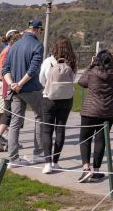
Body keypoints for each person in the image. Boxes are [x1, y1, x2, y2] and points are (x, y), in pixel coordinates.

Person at [76, 49, 113, 182]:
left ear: (97, 60)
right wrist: (110, 98)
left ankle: (86, 169)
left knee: (85, 138)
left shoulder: (92, 72)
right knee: (101, 139)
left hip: (90, 110)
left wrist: (90, 65)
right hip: (109, 111)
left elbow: (81, 82)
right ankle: (96, 170)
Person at [2, 20, 46, 164]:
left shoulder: (14, 45)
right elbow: (33, 70)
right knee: (40, 118)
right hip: (31, 89)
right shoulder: (38, 45)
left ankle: (13, 158)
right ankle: (38, 153)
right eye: (40, 30)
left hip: (15, 90)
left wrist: (12, 84)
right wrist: (20, 84)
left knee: (14, 123)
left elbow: (5, 69)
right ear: (38, 30)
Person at [39, 35, 78, 174]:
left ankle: (47, 163)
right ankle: (56, 161)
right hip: (67, 98)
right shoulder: (72, 63)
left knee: (47, 130)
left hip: (49, 97)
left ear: (55, 47)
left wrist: (50, 87)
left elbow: (41, 79)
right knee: (60, 129)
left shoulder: (48, 61)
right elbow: (73, 78)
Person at [0, 29, 19, 150]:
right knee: (0, 112)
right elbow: (3, 71)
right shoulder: (6, 52)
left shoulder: (9, 50)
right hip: (4, 84)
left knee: (4, 112)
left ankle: (0, 136)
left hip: (6, 84)